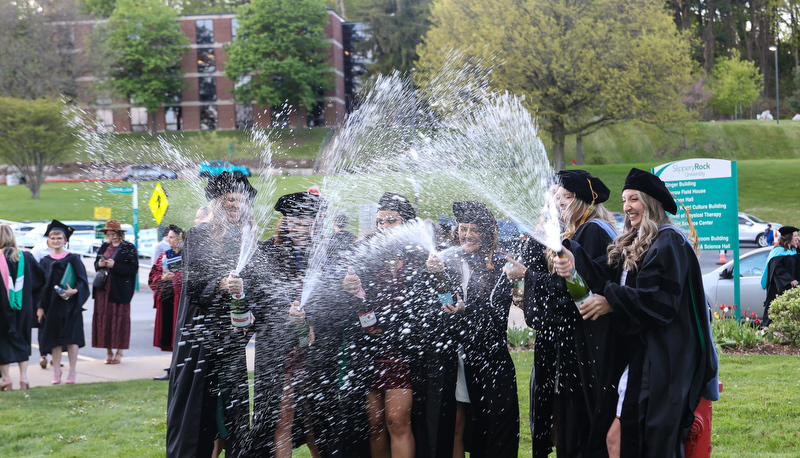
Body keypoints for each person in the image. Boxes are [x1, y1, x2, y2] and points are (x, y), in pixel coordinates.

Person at [553, 168, 717, 458]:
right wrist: (572, 257)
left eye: (634, 199)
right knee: (622, 438)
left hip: (662, 361)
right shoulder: (633, 242)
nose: (627, 207)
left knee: (643, 440)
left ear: (650, 202)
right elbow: (602, 273)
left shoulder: (669, 244)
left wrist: (611, 301)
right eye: (625, 199)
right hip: (639, 357)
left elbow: (658, 305)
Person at [505, 170, 621, 457]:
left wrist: (527, 275)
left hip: (580, 343)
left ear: (583, 201)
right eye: (556, 197)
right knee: (557, 417)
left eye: (566, 197)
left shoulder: (592, 231)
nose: (559, 203)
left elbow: (574, 290)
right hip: (560, 342)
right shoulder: (570, 231)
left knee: (576, 420)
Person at [167, 171, 256, 458]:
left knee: (233, 412)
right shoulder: (199, 234)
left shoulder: (245, 236)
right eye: (230, 199)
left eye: (241, 200)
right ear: (218, 202)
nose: (235, 205)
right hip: (202, 337)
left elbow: (254, 284)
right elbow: (192, 285)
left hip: (231, 337)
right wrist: (221, 284)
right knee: (199, 412)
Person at [426, 201, 519, 457]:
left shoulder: (502, 266)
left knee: (490, 429)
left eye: (474, 229)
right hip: (455, 357)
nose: (466, 234)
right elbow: (445, 305)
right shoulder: (451, 261)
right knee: (454, 425)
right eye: (463, 228)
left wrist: (466, 310)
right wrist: (438, 278)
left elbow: (495, 314)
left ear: (486, 233)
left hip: (490, 359)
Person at [246, 191, 324, 457]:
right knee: (283, 415)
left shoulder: (322, 253)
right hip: (279, 347)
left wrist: (311, 318)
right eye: (295, 223)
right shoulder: (268, 250)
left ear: (315, 222)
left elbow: (334, 298)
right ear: (285, 221)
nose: (300, 229)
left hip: (316, 347)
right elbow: (256, 298)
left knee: (318, 417)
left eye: (306, 224)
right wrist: (285, 314)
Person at [36, 220, 90, 385]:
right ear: (48, 241)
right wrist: (39, 307)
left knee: (72, 338)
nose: (56, 240)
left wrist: (75, 291)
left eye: (59, 237)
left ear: (65, 240)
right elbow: (39, 286)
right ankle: (57, 373)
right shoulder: (45, 261)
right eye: (53, 238)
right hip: (51, 306)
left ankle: (72, 371)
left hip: (70, 306)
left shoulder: (73, 259)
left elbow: (83, 282)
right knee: (54, 339)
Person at [0, 224, 45, 390]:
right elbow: (41, 279)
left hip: (2, 309)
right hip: (23, 308)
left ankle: (5, 379)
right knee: (22, 338)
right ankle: (23, 377)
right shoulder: (25, 257)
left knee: (2, 341)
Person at [92, 220, 139, 365]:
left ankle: (119, 351)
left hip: (119, 291)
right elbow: (96, 264)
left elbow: (133, 269)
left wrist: (115, 265)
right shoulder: (104, 246)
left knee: (119, 320)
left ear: (119, 234)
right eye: (108, 234)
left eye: (113, 234)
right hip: (103, 290)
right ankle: (108, 351)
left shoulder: (128, 248)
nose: (111, 237)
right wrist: (99, 264)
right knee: (104, 321)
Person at [149, 224, 185, 380]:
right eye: (168, 237)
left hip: (181, 302)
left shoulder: (187, 256)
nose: (168, 240)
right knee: (170, 335)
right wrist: (163, 278)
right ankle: (173, 365)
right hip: (167, 301)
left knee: (179, 336)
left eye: (171, 237)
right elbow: (152, 277)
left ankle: (176, 368)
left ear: (179, 238)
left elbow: (191, 278)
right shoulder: (164, 256)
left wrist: (176, 277)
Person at [761, 225, 799, 327]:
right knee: (775, 310)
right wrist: (790, 280)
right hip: (779, 287)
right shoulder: (777, 252)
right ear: (788, 237)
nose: (797, 238)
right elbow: (778, 269)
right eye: (795, 236)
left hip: (793, 287)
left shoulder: (793, 251)